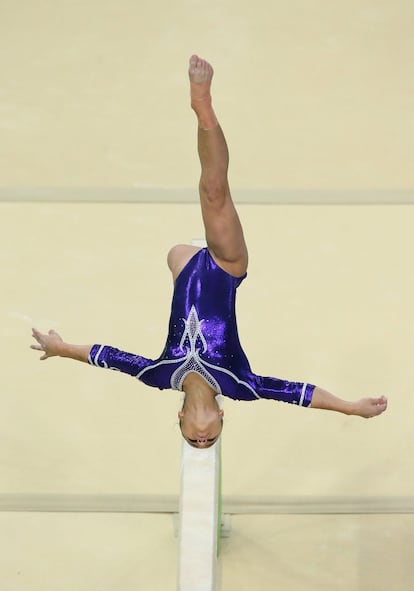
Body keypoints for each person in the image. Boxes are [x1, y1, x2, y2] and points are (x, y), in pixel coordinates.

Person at [31, 55, 388, 449]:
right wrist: (351, 408)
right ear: (221, 416)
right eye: (209, 440)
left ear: (180, 419)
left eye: (192, 439)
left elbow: (107, 356)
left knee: (198, 216)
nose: (201, 438)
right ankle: (203, 106)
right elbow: (298, 392)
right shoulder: (239, 384)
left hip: (183, 266)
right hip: (226, 265)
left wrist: (61, 348)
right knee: (213, 191)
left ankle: (202, 112)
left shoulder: (160, 375)